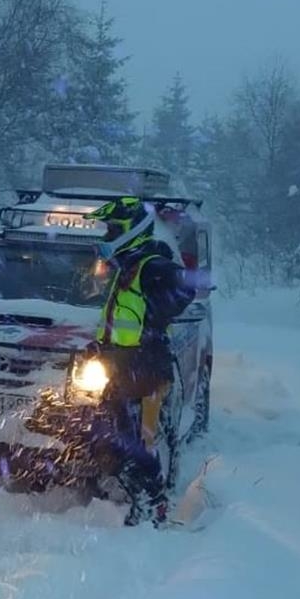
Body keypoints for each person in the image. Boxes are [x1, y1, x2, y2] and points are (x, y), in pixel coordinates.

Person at [87, 195, 196, 526]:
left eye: (111, 230)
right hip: (124, 368)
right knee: (115, 441)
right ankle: (146, 503)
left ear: (130, 231)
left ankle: (151, 508)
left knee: (134, 446)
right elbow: (121, 319)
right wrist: (101, 345)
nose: (106, 237)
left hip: (144, 370)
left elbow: (186, 287)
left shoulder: (151, 266)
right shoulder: (128, 267)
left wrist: (155, 320)